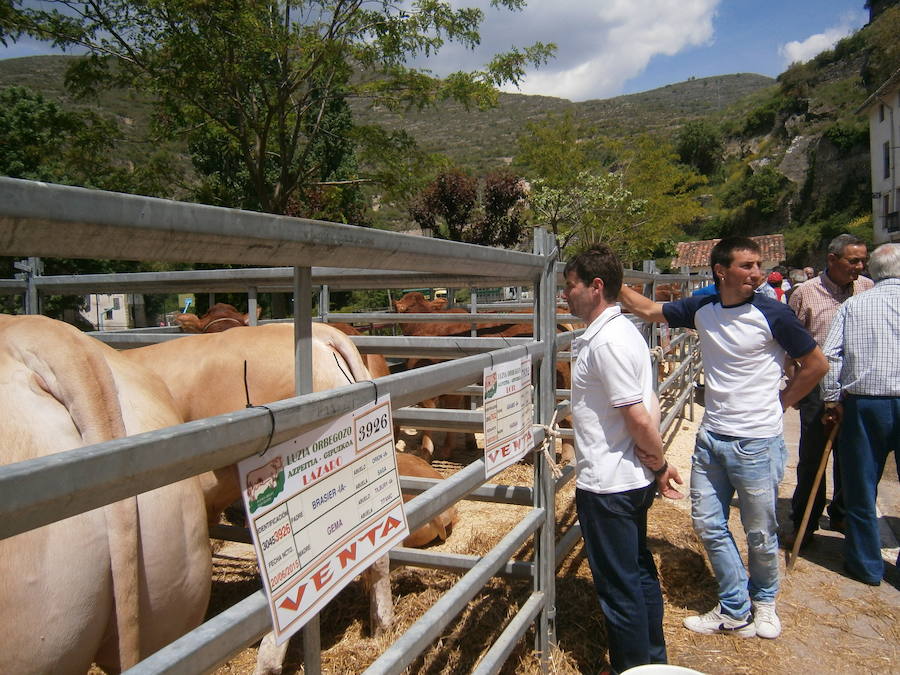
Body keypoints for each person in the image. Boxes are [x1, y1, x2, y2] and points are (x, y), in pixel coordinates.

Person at [618, 236, 827, 640]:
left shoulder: (774, 313)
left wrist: (780, 402)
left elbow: (815, 364)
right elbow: (646, 309)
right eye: (746, 266)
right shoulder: (703, 305)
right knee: (708, 523)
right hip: (712, 436)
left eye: (757, 265)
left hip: (757, 441)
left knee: (760, 530)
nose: (757, 273)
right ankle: (734, 606)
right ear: (721, 271)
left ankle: (765, 602)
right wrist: (608, 276)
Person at [562, 245, 684, 673]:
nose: (566, 296)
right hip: (627, 478)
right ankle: (652, 661)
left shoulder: (607, 341)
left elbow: (636, 416)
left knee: (619, 589)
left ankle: (630, 667)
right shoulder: (625, 332)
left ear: (596, 287)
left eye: (571, 287)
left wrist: (659, 464)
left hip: (610, 483)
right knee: (638, 571)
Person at [785, 233, 873, 549]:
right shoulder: (805, 294)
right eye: (854, 261)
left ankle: (842, 513)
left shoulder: (867, 288)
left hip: (856, 385)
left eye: (863, 260)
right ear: (832, 260)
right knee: (812, 458)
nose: (860, 267)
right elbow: (789, 342)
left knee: (853, 456)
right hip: (816, 388)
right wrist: (796, 388)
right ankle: (805, 524)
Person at [820, 243, 900, 586]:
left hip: (865, 403)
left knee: (861, 486)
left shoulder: (855, 305)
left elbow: (831, 355)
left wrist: (831, 399)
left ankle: (867, 566)